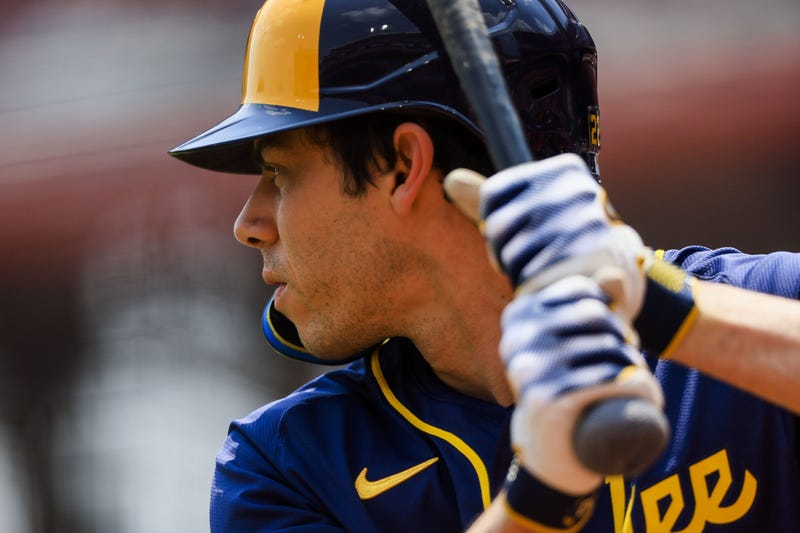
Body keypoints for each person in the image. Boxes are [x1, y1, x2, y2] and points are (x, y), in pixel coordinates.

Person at [169, 0, 800, 531]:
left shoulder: (762, 305)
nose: (248, 225)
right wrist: (541, 499)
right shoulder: (288, 467)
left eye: (279, 173)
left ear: (402, 166)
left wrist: (664, 304)